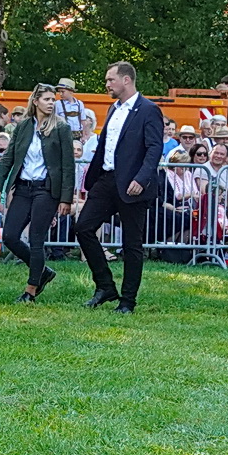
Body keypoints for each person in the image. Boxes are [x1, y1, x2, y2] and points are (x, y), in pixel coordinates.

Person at [76, 62, 163, 312]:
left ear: (126, 80)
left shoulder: (148, 109)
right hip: (107, 179)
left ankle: (127, 301)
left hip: (133, 183)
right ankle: (105, 286)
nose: (107, 85)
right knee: (83, 227)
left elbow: (154, 148)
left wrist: (141, 178)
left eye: (110, 80)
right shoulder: (113, 108)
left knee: (131, 244)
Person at [0, 84, 75, 302]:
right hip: (23, 188)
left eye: (52, 99)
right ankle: (43, 271)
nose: (50, 102)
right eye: (46, 99)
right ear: (35, 101)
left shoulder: (61, 128)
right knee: (9, 235)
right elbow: (9, 157)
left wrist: (66, 198)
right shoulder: (24, 125)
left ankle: (31, 290)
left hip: (46, 190)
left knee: (37, 239)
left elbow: (68, 165)